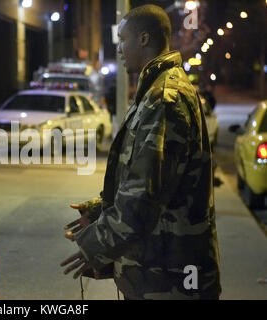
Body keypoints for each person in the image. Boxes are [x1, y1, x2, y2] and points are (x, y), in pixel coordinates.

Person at [61, 5, 221, 300]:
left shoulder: (164, 98)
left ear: (144, 39)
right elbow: (147, 176)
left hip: (170, 277)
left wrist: (94, 244)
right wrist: (101, 208)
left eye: (122, 39)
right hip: (159, 270)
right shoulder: (156, 90)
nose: (118, 49)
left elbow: (144, 197)